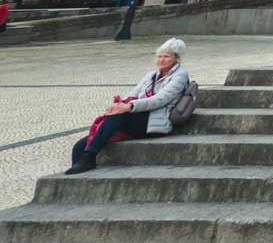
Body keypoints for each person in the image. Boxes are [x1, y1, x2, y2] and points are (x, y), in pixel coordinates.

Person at [65, 38, 191, 175]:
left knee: (118, 116)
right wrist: (120, 104)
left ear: (176, 58)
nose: (161, 60)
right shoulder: (151, 75)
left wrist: (129, 107)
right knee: (79, 147)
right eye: (159, 56)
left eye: (166, 57)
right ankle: (80, 168)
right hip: (136, 118)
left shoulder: (180, 76)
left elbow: (160, 100)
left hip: (153, 123)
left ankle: (89, 157)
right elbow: (133, 93)